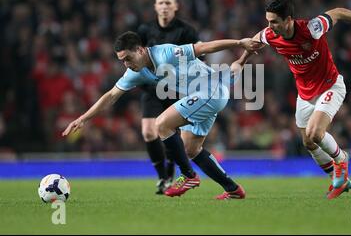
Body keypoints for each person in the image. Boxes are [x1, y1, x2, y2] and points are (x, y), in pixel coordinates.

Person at [62, 31, 262, 199]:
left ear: (140, 50)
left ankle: (188, 175)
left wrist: (239, 42)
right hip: (206, 95)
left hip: (209, 93)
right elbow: (111, 95)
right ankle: (233, 189)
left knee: (161, 124)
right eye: (122, 61)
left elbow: (204, 47)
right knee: (190, 149)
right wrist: (82, 119)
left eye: (128, 58)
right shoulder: (136, 72)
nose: (126, 65)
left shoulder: (167, 53)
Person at [253, 0, 351, 199]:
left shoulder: (312, 28)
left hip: (330, 85)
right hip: (304, 94)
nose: (269, 26)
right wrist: (240, 59)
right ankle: (339, 179)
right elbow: (255, 41)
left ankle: (342, 160)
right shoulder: (271, 34)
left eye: (274, 21)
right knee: (308, 142)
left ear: (288, 19)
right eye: (268, 21)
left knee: (316, 133)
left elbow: (339, 11)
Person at [137, 0, 201, 194]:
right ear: (155, 7)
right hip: (152, 88)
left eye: (168, 2)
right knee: (148, 131)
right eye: (160, 3)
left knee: (171, 132)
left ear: (176, 6)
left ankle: (171, 172)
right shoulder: (145, 30)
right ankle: (162, 176)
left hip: (177, 88)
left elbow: (196, 58)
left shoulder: (187, 31)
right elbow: (136, 55)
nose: (164, 6)